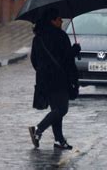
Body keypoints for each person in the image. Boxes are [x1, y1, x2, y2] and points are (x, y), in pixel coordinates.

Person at [28, 8, 80, 150]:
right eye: (58, 19)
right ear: (52, 21)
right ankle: (38, 130)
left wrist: (43, 71)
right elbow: (66, 59)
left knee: (56, 110)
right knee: (62, 109)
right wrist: (75, 50)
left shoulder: (37, 38)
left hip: (44, 80)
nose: (61, 21)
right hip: (59, 79)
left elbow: (34, 60)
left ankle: (59, 140)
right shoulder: (60, 36)